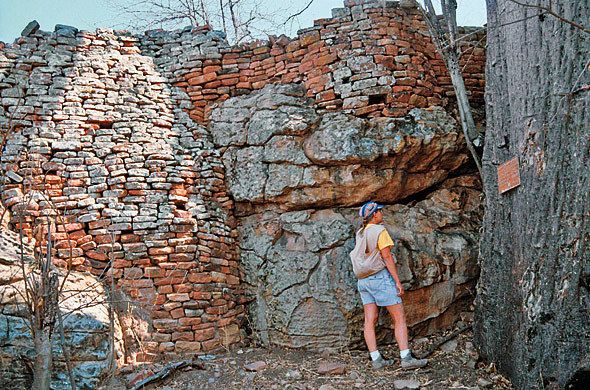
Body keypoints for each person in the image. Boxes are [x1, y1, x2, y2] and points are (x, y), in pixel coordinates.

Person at [350, 201, 428, 370]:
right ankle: (406, 358)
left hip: (363, 281)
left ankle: (376, 359)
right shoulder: (380, 231)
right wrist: (397, 282)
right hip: (379, 278)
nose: (381, 213)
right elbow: (387, 257)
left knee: (370, 320)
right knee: (399, 317)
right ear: (374, 215)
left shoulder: (361, 233)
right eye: (379, 211)